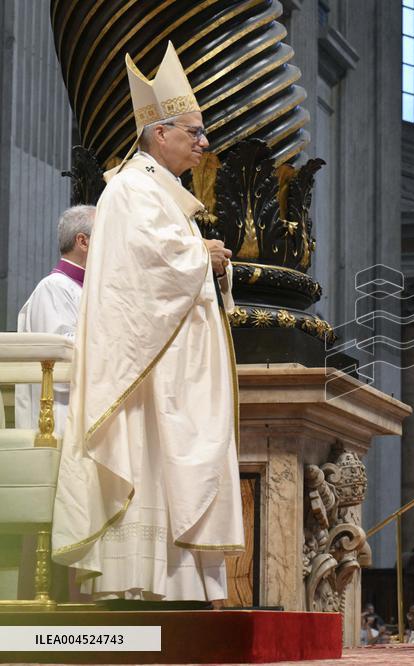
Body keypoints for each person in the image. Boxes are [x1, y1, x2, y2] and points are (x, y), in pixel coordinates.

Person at [50, 42, 242, 604]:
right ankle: (144, 582)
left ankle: (181, 584)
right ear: (160, 133)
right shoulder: (131, 189)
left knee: (177, 464)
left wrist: (205, 257)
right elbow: (142, 272)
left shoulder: (164, 193)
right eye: (195, 132)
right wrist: (199, 255)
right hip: (148, 370)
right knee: (155, 462)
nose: (204, 143)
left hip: (174, 364)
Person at [14, 205, 95, 435]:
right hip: (58, 417)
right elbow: (61, 354)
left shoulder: (82, 288)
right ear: (83, 242)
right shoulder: (54, 288)